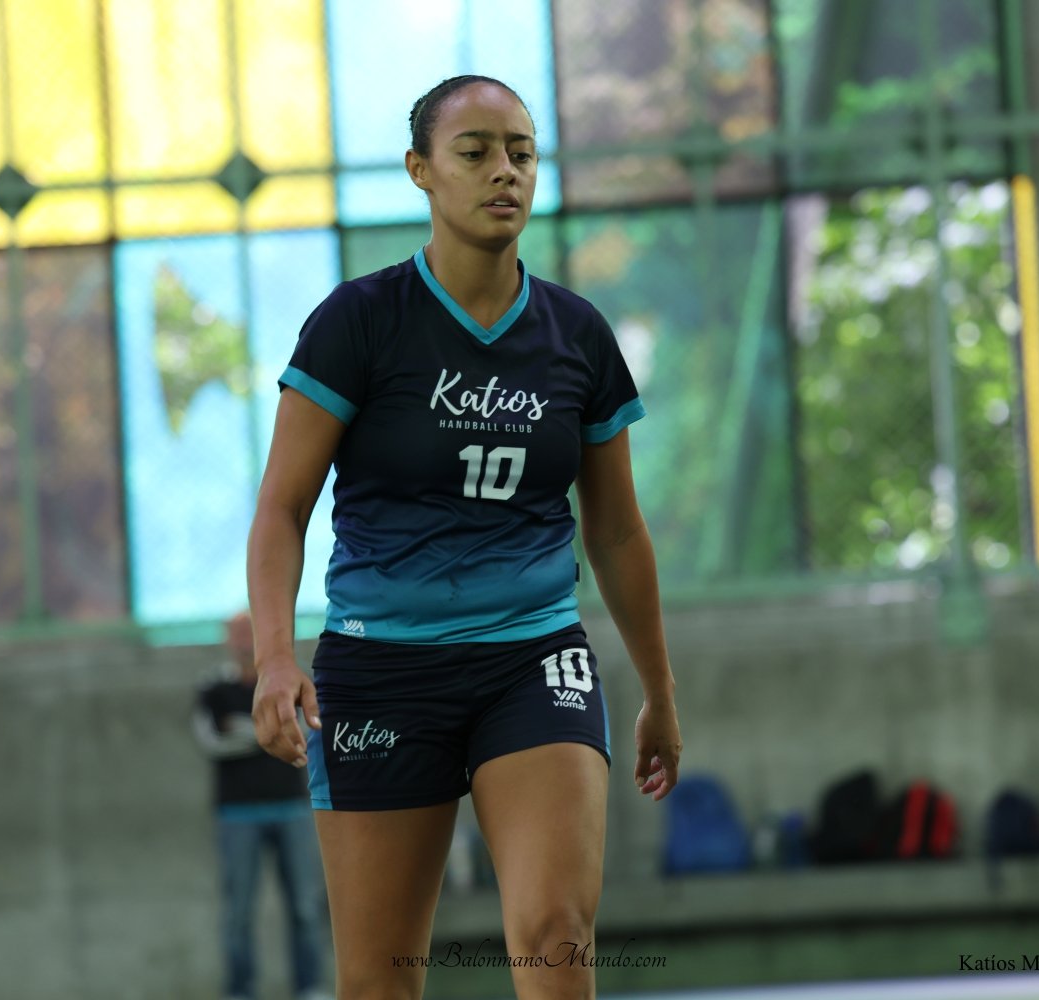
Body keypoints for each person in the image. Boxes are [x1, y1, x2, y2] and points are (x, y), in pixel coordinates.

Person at [245, 74, 683, 999]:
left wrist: (659, 691)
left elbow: (616, 532)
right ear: (420, 170)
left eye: (521, 153)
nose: (504, 172)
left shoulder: (578, 335)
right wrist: (276, 658)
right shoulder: (359, 322)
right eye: (475, 152)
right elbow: (282, 508)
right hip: (380, 670)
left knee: (556, 934)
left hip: (534, 659)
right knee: (379, 980)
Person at [193, 611, 331, 1000]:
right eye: (236, 634)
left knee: (305, 906)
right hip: (237, 814)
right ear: (226, 639)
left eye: (248, 632)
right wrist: (268, 732)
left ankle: (310, 987)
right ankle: (240, 990)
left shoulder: (290, 683)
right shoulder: (212, 688)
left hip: (292, 808)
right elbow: (211, 742)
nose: (243, 641)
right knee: (238, 910)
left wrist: (241, 727)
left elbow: (302, 731)